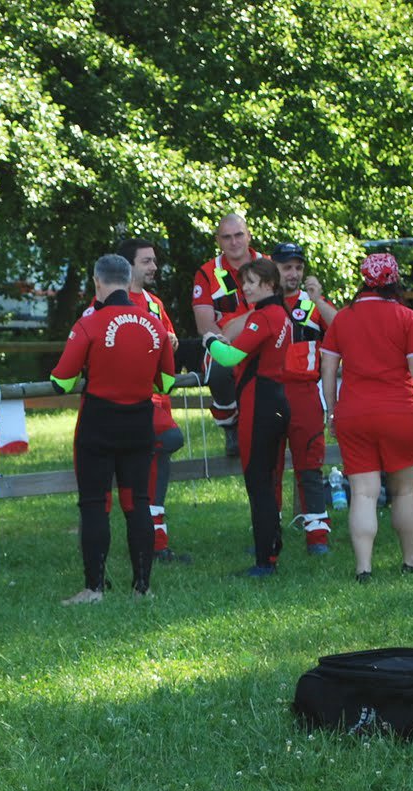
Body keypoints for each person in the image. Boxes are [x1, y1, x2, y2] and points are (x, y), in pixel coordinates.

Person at [50, 254, 173, 602]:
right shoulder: (155, 323)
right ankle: (143, 588)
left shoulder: (89, 324)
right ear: (128, 277)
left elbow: (61, 381)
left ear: (97, 282)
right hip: (139, 422)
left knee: (95, 503)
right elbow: (165, 382)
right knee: (138, 502)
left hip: (98, 423)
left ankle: (94, 588)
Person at [319, 253, 413, 580]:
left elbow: (329, 369)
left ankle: (364, 568)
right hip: (399, 412)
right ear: (395, 280)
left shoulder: (343, 320)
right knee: (405, 490)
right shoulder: (407, 317)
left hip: (354, 413)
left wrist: (332, 409)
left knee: (362, 491)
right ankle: (411, 561)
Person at [202, 258, 293, 577]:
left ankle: (264, 561)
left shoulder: (264, 316)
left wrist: (210, 340)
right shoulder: (280, 313)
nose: (246, 287)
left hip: (260, 404)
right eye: (245, 281)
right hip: (277, 399)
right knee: (268, 478)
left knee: (258, 483)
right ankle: (272, 550)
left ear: (269, 284)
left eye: (252, 281)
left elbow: (229, 357)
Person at [117, 238, 189, 563]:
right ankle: (148, 540)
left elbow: (166, 343)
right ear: (127, 265)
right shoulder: (112, 301)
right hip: (133, 402)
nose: (154, 267)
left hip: (159, 398)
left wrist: (169, 343)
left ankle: (156, 543)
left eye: (153, 261)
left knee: (157, 468)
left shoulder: (155, 303)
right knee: (165, 444)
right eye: (146, 261)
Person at [270, 242, 339, 554]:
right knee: (268, 466)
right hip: (269, 392)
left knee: (310, 464)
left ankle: (317, 535)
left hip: (305, 394)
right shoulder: (261, 301)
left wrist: (318, 300)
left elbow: (342, 327)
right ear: (274, 269)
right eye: (287, 267)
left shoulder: (312, 303)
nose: (294, 273)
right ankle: (268, 533)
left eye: (298, 267)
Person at [192, 213, 263, 456]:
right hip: (226, 344)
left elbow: (284, 310)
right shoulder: (206, 273)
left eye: (239, 235)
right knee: (218, 366)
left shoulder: (270, 265)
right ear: (218, 241)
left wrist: (245, 326)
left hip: (266, 340)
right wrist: (230, 341)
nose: (234, 242)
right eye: (227, 237)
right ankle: (230, 424)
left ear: (249, 235)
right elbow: (204, 325)